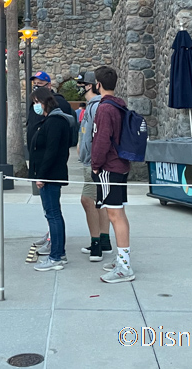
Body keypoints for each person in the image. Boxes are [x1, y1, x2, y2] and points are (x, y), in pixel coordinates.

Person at [91, 65, 135, 283]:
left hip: (109, 167)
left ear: (98, 84)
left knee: (115, 215)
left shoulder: (105, 108)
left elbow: (102, 139)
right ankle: (122, 259)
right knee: (119, 213)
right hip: (120, 164)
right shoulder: (119, 106)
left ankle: (124, 267)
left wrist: (95, 165)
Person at [28, 70, 74, 256]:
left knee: (53, 213)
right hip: (46, 172)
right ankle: (54, 247)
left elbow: (52, 150)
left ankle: (56, 254)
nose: (35, 106)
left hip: (50, 174)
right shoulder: (49, 120)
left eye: (36, 102)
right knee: (51, 212)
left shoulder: (55, 120)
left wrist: (42, 175)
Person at [76, 71, 113, 262]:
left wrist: (91, 159)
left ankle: (96, 243)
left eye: (81, 84)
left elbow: (97, 136)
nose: (79, 88)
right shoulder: (95, 105)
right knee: (100, 200)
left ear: (89, 86)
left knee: (87, 200)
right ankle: (104, 240)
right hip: (94, 160)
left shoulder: (96, 106)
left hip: (93, 162)